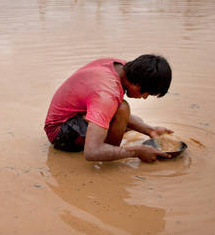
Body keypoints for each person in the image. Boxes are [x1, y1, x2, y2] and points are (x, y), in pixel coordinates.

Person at [44, 54, 173, 163]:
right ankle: (109, 149)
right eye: (148, 94)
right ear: (138, 85)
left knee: (132, 119)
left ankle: (114, 140)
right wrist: (136, 152)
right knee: (123, 109)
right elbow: (91, 152)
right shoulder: (107, 93)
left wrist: (150, 130)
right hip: (59, 133)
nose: (145, 98)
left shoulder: (119, 67)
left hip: (74, 116)